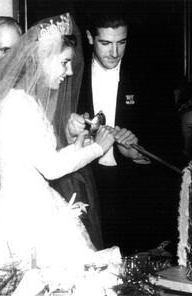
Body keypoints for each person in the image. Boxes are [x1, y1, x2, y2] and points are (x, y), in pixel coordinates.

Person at [0, 14, 121, 295]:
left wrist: (78, 144)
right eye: (64, 62)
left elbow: (36, 158)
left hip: (33, 205)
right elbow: (51, 168)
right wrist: (96, 148)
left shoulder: (23, 100)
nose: (69, 72)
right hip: (27, 216)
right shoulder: (19, 104)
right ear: (42, 60)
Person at [57, 10, 159, 254]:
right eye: (105, 43)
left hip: (131, 189)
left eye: (121, 42)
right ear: (90, 37)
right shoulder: (69, 75)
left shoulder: (148, 77)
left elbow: (166, 139)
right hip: (85, 184)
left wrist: (137, 153)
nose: (114, 53)